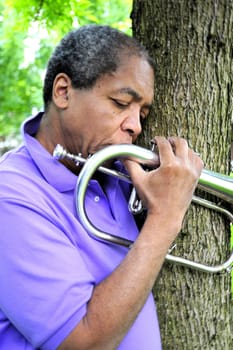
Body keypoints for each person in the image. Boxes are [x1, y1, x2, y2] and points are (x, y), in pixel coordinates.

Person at [0, 25, 203, 349]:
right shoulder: (10, 197)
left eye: (142, 112)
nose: (135, 125)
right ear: (63, 92)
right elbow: (83, 342)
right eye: (121, 103)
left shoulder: (113, 170)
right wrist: (165, 217)